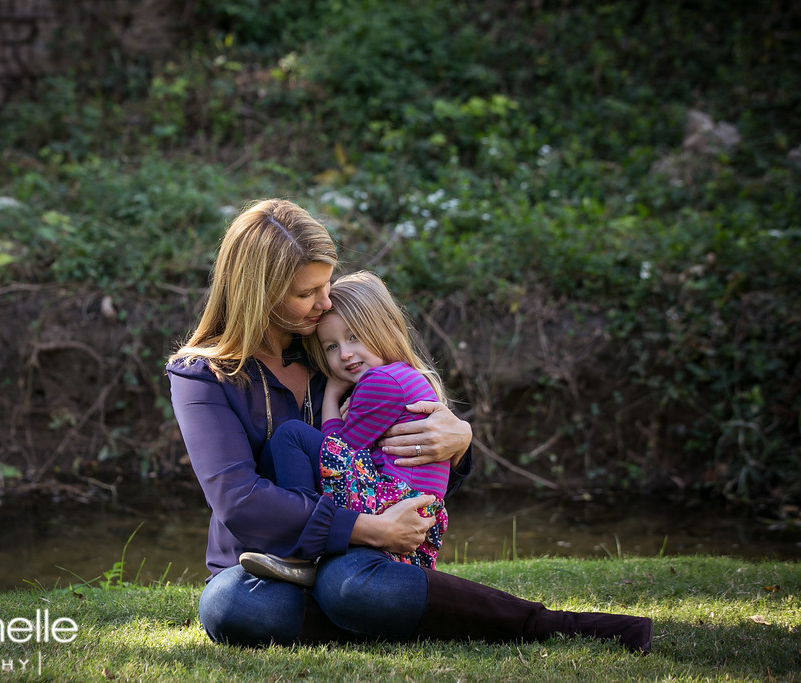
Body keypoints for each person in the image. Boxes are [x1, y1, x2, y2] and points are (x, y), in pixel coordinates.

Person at [166, 198, 652, 652]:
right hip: (264, 564)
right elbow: (240, 501)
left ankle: (547, 624)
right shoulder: (203, 375)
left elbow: (398, 472)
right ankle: (385, 611)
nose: (324, 301)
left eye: (326, 285)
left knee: (347, 584)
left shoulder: (332, 355)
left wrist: (458, 443)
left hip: (345, 563)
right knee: (233, 605)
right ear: (261, 292)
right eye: (306, 293)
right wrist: (369, 529)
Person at [242, 270, 452, 582]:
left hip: (393, 501)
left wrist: (331, 393)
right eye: (331, 346)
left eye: (354, 336)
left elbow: (337, 451)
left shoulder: (380, 382)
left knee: (291, 436)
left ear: (381, 328)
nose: (345, 354)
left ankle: (298, 551)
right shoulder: (405, 376)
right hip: (416, 512)